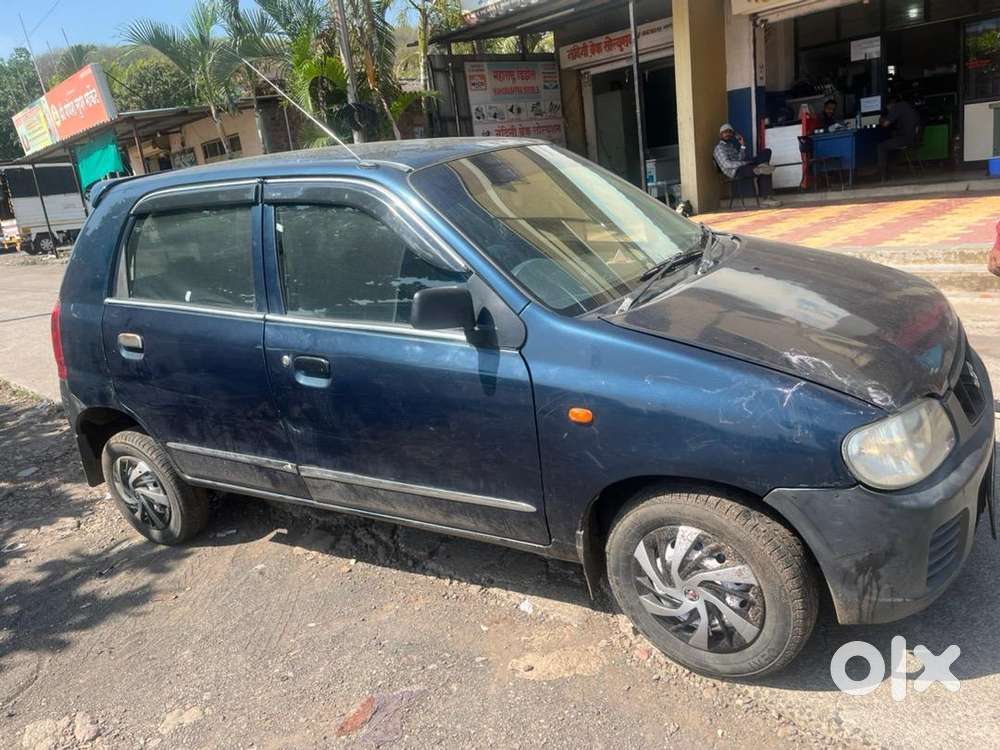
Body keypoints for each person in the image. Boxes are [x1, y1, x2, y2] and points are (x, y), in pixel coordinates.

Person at [713, 123, 781, 207]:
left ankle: (762, 167)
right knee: (764, 169)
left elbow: (740, 158)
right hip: (735, 172)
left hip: (743, 166)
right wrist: (745, 163)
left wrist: (742, 145)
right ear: (720, 135)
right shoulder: (719, 148)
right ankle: (767, 198)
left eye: (730, 132)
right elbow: (727, 164)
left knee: (766, 152)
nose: (728, 134)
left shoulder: (731, 146)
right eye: (725, 132)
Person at [878, 96, 921, 181]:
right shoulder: (908, 106)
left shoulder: (896, 108)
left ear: (890, 105)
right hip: (914, 139)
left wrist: (880, 120)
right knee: (892, 141)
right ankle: (890, 171)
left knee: (881, 146)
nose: (888, 110)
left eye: (887, 108)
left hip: (906, 139)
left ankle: (883, 176)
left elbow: (886, 124)